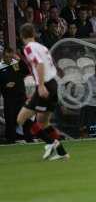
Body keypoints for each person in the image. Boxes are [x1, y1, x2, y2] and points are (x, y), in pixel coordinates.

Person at [16, 23, 69, 160]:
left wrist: (40, 86)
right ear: (33, 33)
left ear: (21, 36)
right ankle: (63, 153)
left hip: (45, 85)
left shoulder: (28, 48)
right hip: (53, 84)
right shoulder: (42, 47)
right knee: (43, 122)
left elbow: (39, 63)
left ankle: (50, 144)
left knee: (21, 118)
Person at [0, 47, 31, 143]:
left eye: (11, 56)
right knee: (10, 119)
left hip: (21, 96)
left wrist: (20, 60)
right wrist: (5, 85)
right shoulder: (0, 66)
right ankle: (11, 140)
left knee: (25, 118)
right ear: (3, 55)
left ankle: (29, 138)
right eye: (7, 57)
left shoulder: (17, 63)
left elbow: (27, 71)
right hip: (9, 98)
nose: (9, 59)